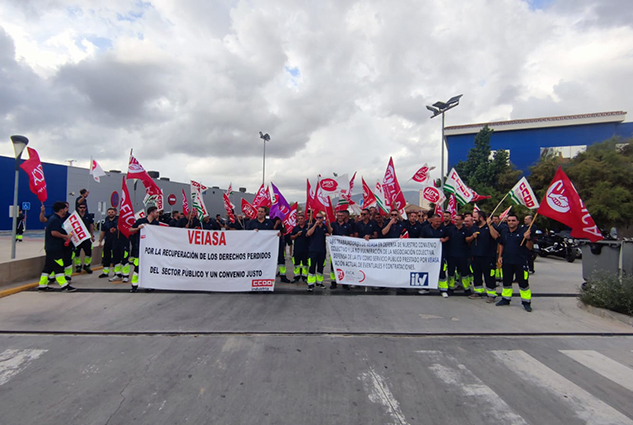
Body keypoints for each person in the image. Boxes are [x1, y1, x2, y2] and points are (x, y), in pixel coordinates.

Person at [497, 214, 533, 312]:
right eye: (509, 220)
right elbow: (501, 244)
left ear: (517, 222)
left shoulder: (523, 232)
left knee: (523, 283)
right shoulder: (504, 231)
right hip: (507, 261)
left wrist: (528, 238)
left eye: (513, 220)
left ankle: (526, 302)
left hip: (520, 262)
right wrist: (500, 256)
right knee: (506, 281)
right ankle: (506, 299)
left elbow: (529, 247)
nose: (511, 222)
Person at [38, 201, 76, 292]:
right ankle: (64, 285)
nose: (66, 210)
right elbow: (54, 233)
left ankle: (42, 285)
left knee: (48, 267)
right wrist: (65, 236)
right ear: (61, 210)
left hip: (50, 247)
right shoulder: (55, 220)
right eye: (65, 208)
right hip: (55, 247)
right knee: (59, 266)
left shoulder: (54, 218)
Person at [468, 211, 500, 302]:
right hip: (475, 255)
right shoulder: (473, 228)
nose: (473, 219)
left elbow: (495, 236)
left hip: (488, 256)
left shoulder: (491, 226)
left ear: (481, 217)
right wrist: (472, 237)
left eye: (474, 217)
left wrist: (489, 225)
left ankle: (491, 294)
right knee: (477, 275)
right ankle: (478, 291)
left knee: (489, 276)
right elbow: (467, 240)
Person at [128, 206, 161, 292]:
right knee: (137, 268)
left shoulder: (156, 223)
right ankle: (134, 286)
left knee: (149, 268)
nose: (157, 214)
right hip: (139, 249)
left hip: (150, 250)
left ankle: (148, 285)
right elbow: (130, 230)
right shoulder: (141, 221)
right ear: (151, 213)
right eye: (156, 212)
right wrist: (138, 228)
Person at [420, 214, 450, 297]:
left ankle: (443, 289)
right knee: (428, 270)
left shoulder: (443, 228)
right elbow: (421, 238)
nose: (438, 223)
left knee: (442, 271)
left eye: (440, 221)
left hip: (440, 254)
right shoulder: (425, 228)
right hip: (428, 255)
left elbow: (448, 236)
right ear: (431, 221)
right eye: (437, 221)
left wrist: (444, 239)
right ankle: (426, 288)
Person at [446, 214, 473, 296]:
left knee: (464, 273)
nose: (456, 221)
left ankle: (466, 288)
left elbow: (468, 241)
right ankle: (450, 288)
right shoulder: (450, 230)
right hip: (451, 254)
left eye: (458, 219)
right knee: (451, 272)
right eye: (455, 219)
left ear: (462, 221)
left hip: (463, 255)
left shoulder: (466, 230)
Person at [330, 210, 355, 289]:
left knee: (344, 265)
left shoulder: (348, 225)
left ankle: (345, 283)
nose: (340, 217)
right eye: (338, 216)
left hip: (344, 250)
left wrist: (346, 238)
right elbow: (330, 232)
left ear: (344, 216)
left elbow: (351, 236)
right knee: (333, 265)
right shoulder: (333, 224)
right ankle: (333, 282)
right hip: (335, 249)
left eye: (341, 216)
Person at [306, 213, 331, 291]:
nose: (318, 219)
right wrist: (314, 225)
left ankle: (319, 282)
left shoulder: (324, 227)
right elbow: (308, 234)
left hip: (322, 250)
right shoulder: (312, 225)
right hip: (313, 250)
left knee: (321, 267)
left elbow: (330, 232)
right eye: (317, 218)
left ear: (323, 218)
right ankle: (310, 284)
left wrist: (328, 224)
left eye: (320, 218)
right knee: (312, 267)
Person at [73, 203, 95, 274]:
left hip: (86, 237)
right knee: (76, 253)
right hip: (77, 238)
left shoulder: (88, 216)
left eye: (84, 207)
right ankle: (78, 266)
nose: (82, 209)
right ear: (78, 208)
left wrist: (92, 235)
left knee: (88, 252)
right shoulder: (75, 216)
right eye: (81, 207)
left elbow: (91, 225)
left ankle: (87, 265)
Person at [98, 208, 119, 278]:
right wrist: (100, 241)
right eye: (109, 212)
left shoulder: (118, 220)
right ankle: (105, 272)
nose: (110, 213)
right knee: (106, 256)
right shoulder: (106, 221)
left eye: (112, 212)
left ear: (115, 213)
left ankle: (117, 272)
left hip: (116, 241)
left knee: (116, 257)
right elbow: (102, 232)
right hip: (108, 241)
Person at [290, 214, 309, 283]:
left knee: (305, 264)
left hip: (306, 249)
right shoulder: (295, 228)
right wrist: (296, 235)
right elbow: (291, 237)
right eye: (299, 219)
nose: (300, 220)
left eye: (301, 219)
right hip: (297, 249)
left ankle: (304, 277)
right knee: (296, 264)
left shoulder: (308, 227)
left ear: (304, 219)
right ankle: (296, 277)